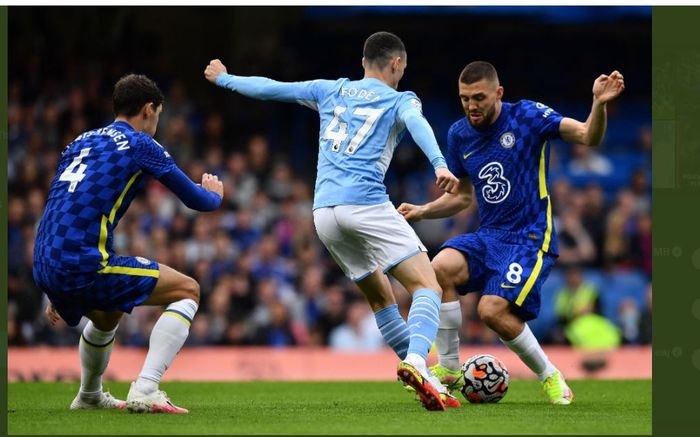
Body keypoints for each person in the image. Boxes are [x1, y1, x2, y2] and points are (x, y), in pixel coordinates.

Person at [205, 31, 460, 411]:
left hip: (324, 212)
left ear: (362, 64)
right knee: (428, 284)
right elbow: (417, 122)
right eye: (402, 69)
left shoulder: (330, 89)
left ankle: (421, 378)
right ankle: (418, 362)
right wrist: (440, 164)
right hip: (367, 204)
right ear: (395, 64)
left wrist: (225, 78)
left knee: (379, 297)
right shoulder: (400, 99)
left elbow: (272, 89)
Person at [398, 61, 624, 405]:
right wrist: (423, 210)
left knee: (491, 311)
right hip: (489, 235)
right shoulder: (459, 134)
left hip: (529, 238)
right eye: (464, 99)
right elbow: (461, 196)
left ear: (498, 93)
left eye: (479, 97)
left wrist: (599, 104)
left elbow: (587, 136)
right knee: (437, 269)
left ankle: (550, 375)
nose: (471, 105)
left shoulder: (528, 116)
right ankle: (448, 367)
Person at [33, 74, 224, 414]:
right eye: (159, 115)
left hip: (47, 259)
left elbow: (61, 204)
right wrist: (214, 193)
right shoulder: (139, 144)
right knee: (188, 290)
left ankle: (90, 395)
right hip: (79, 262)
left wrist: (54, 281)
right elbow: (197, 201)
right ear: (149, 109)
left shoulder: (80, 141)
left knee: (109, 313)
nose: (157, 123)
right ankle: (147, 387)